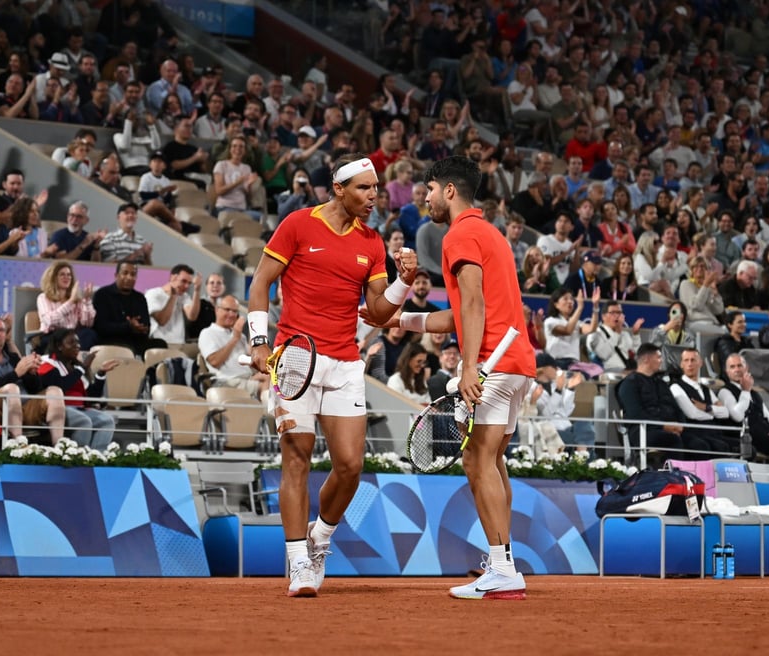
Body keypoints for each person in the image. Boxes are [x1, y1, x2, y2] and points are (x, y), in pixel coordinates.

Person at [246, 153, 418, 598]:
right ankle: (298, 561)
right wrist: (259, 341)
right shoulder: (298, 224)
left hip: (344, 362)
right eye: (364, 188)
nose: (372, 197)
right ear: (338, 189)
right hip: (295, 358)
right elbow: (261, 280)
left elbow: (379, 312)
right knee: (297, 458)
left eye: (376, 189)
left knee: (350, 466)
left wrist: (403, 282)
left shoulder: (374, 242)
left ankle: (320, 537)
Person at [376, 155, 535, 599]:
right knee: (494, 461)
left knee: (476, 461)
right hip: (516, 360)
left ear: (449, 190)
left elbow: (472, 307)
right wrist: (402, 321)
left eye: (428, 189)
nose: (423, 197)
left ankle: (502, 568)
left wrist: (468, 367)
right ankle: (506, 564)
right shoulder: (489, 233)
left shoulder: (459, 233)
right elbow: (461, 313)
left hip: (492, 363)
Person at [0, 316, 66, 443]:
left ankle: (60, 446)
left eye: (1, 330)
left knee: (55, 391)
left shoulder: (12, 357)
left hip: (24, 409)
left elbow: (35, 389)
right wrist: (16, 374)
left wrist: (31, 374)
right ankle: (18, 444)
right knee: (11, 389)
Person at [616, 343, 715, 460]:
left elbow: (676, 409)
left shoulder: (661, 383)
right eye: (658, 357)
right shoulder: (629, 384)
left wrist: (680, 426)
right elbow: (636, 414)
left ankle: (694, 476)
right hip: (643, 431)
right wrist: (664, 426)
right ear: (647, 359)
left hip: (671, 430)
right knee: (673, 440)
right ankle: (673, 476)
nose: (661, 361)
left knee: (699, 444)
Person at [36, 329, 118, 452]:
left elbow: (91, 396)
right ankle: (77, 459)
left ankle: (96, 459)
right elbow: (60, 386)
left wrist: (101, 373)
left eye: (78, 343)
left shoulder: (75, 367)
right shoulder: (47, 362)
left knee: (107, 421)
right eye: (71, 343)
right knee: (83, 421)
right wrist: (82, 368)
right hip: (59, 408)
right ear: (59, 346)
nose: (77, 346)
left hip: (80, 408)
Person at [197, 295, 268, 400]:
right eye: (227, 310)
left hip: (246, 377)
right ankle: (265, 415)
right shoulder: (207, 333)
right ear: (217, 310)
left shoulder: (240, 335)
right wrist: (234, 338)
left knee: (273, 378)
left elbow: (253, 360)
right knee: (265, 385)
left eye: (235, 311)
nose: (231, 314)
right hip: (226, 381)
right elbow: (214, 361)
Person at [92, 262, 168, 357]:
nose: (129, 277)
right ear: (116, 275)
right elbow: (101, 327)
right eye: (125, 273)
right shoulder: (102, 295)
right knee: (127, 348)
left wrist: (141, 328)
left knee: (160, 344)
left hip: (135, 339)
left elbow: (146, 326)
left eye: (133, 274)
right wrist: (128, 326)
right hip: (110, 340)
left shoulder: (140, 298)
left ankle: (151, 372)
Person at [36, 261, 97, 350]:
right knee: (66, 341)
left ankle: (78, 360)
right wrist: (70, 301)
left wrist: (86, 300)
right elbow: (50, 320)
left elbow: (87, 323)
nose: (67, 277)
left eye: (69, 275)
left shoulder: (76, 299)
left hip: (72, 335)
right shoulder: (43, 297)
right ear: (53, 278)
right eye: (62, 274)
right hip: (53, 336)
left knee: (89, 333)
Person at [543, 286, 599, 368]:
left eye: (572, 299)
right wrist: (579, 308)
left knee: (595, 370)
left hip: (573, 363)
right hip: (556, 362)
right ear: (556, 305)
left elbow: (592, 329)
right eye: (565, 299)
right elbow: (567, 330)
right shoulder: (550, 321)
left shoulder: (576, 323)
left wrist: (595, 306)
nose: (570, 302)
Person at [146, 264, 201, 344]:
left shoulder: (184, 296)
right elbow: (162, 321)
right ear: (173, 278)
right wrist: (174, 295)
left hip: (179, 343)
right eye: (183, 281)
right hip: (159, 343)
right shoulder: (153, 294)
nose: (186, 286)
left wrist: (197, 290)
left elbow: (192, 316)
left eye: (189, 283)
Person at [586, 300, 642, 373]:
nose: (616, 316)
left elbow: (638, 355)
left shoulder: (625, 334)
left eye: (619, 312)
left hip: (627, 372)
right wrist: (617, 332)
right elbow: (604, 355)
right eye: (612, 313)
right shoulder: (596, 334)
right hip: (607, 373)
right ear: (603, 316)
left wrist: (635, 335)